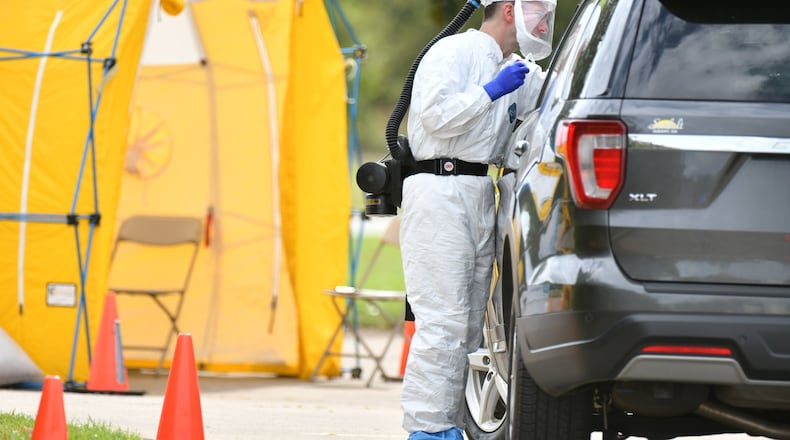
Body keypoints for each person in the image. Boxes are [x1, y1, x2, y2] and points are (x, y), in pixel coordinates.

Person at [398, 1, 556, 439]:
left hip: (478, 192)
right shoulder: (453, 52)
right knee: (442, 319)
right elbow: (434, 115)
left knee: (470, 325)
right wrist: (490, 91)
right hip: (439, 189)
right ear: (509, 10)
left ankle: (453, 422)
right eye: (539, 13)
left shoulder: (515, 68)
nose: (545, 25)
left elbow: (560, 94)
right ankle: (427, 429)